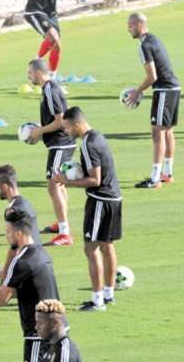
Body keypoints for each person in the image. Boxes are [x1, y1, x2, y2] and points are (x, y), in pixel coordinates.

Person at [0, 210, 64, 361]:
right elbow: (25, 290)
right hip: (58, 330)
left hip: (39, 334)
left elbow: (2, 299)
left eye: (8, 232)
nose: (6, 236)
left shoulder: (22, 262)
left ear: (19, 234)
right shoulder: (41, 253)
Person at [52, 107, 121, 312]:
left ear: (77, 125)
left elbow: (95, 179)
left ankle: (97, 300)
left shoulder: (87, 145)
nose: (65, 131)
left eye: (66, 128)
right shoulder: (98, 136)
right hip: (114, 198)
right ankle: (108, 295)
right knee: (107, 247)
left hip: (100, 200)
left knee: (91, 249)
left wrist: (66, 181)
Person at [125, 13, 181, 188]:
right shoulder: (154, 39)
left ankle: (155, 179)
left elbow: (152, 76)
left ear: (139, 25)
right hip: (174, 88)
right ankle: (167, 173)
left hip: (164, 90)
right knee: (168, 132)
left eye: (130, 27)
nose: (129, 31)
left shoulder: (144, 45)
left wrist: (137, 92)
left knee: (157, 134)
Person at [26, 58, 76, 245]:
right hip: (62, 143)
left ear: (39, 73)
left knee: (53, 186)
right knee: (58, 185)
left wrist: (40, 130)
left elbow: (60, 120)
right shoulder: (50, 88)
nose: (28, 76)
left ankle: (65, 233)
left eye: (30, 72)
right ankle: (63, 224)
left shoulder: (49, 89)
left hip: (60, 144)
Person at [0, 164, 42, 283]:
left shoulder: (12, 210)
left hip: (28, 265)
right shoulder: (26, 203)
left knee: (0, 295)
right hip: (39, 260)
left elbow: (15, 246)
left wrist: (6, 271)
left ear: (4, 187)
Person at [24, 0, 78, 80]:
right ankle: (36, 62)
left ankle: (52, 79)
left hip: (51, 13)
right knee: (53, 38)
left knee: (57, 45)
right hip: (35, 11)